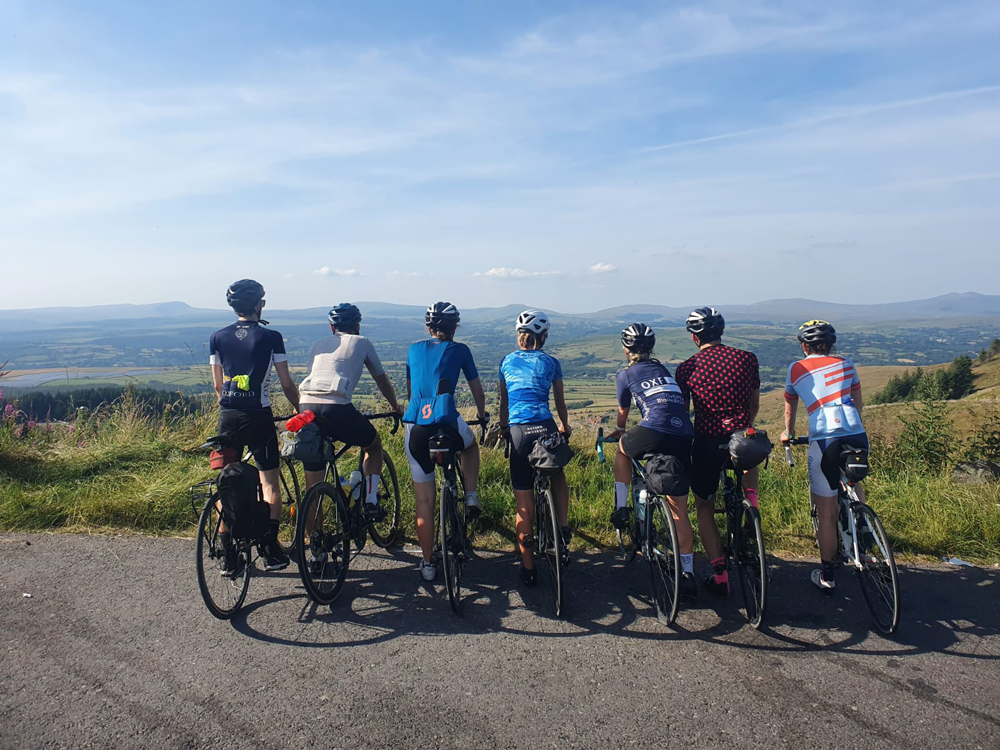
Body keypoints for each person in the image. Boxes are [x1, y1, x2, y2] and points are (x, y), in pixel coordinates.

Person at [297, 303, 403, 571]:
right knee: (373, 444)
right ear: (357, 325)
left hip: (307, 408)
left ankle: (316, 552)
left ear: (331, 328)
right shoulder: (362, 341)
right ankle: (370, 500)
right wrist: (395, 407)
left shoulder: (317, 344)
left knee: (313, 487)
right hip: (338, 408)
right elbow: (381, 379)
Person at [209, 279, 300, 572]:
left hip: (228, 416)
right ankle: (270, 549)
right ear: (259, 304)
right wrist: (300, 410)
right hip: (258, 416)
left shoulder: (217, 337)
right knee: (269, 481)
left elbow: (217, 385)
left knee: (226, 482)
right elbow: (286, 383)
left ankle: (227, 555)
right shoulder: (271, 336)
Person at [675, 307, 760, 596]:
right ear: (720, 332)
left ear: (695, 337)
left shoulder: (687, 368)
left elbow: (684, 415)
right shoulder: (747, 359)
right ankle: (752, 503)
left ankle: (719, 573)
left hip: (708, 442)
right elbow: (753, 404)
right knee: (749, 445)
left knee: (704, 508)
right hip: (742, 439)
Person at [608, 323, 697, 600]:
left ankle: (621, 507)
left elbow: (623, 411)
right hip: (683, 435)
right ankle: (688, 573)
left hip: (652, 429)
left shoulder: (626, 374)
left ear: (626, 350)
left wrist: (621, 430)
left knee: (622, 451)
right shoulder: (663, 370)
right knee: (678, 510)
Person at [402, 302, 488, 582]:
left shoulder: (413, 349)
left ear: (428, 327)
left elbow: (410, 388)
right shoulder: (461, 350)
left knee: (424, 501)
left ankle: (427, 564)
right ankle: (471, 495)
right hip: (446, 421)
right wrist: (482, 414)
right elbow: (476, 388)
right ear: (455, 328)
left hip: (416, 426)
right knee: (471, 445)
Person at [781, 320, 868, 592]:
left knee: (827, 512)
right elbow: (858, 401)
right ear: (831, 345)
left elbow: (789, 408)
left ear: (804, 345)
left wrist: (788, 433)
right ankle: (862, 523)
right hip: (856, 433)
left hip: (824, 437)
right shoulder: (848, 363)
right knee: (853, 478)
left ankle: (827, 575)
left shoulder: (797, 368)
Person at [498, 310, 572, 586]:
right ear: (544, 337)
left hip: (518, 433)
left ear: (519, 336)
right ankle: (562, 528)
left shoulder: (506, 361)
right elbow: (560, 404)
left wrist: (504, 429)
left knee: (524, 507)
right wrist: (565, 426)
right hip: (545, 426)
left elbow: (504, 405)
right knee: (557, 473)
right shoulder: (551, 362)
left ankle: (528, 568)